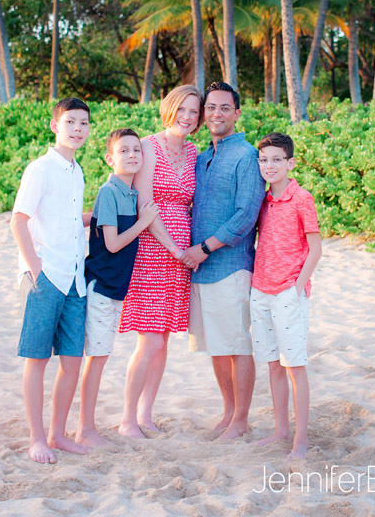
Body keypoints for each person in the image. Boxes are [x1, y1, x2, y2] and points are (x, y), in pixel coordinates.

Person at [181, 81, 265, 441]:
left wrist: (205, 247)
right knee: (215, 345)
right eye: (210, 108)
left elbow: (246, 215)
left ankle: (242, 420)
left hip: (230, 265)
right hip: (201, 270)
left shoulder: (245, 155)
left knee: (235, 343)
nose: (216, 114)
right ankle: (229, 412)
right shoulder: (203, 156)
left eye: (224, 108)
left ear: (236, 113)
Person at [118, 85, 203, 438]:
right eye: (181, 109)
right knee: (149, 341)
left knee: (164, 341)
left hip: (181, 256)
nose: (187, 117)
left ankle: (146, 415)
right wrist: (173, 248)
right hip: (153, 251)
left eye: (193, 112)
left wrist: (191, 250)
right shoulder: (149, 147)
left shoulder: (195, 151)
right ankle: (126, 420)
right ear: (170, 109)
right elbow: (146, 204)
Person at [11, 97, 91, 464]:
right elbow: (19, 220)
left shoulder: (77, 171)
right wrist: (36, 272)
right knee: (37, 359)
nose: (77, 129)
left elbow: (70, 220)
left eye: (84, 124)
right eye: (70, 122)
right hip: (47, 279)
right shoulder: (40, 168)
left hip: (76, 278)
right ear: (54, 125)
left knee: (73, 361)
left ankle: (58, 434)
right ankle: (37, 439)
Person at [75, 128, 161, 447]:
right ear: (111, 159)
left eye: (137, 150)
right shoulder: (109, 191)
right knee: (97, 358)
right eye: (123, 151)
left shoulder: (131, 193)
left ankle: (87, 427)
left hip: (115, 289)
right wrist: (143, 222)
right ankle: (85, 429)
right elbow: (111, 244)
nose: (132, 155)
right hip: (100, 286)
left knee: (102, 355)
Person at [250, 132, 323, 458]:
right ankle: (281, 430)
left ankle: (301, 438)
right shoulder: (262, 200)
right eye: (264, 159)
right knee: (273, 365)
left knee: (294, 365)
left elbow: (315, 248)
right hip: (260, 290)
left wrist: (297, 288)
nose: (270, 165)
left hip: (287, 293)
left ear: (290, 162)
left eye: (277, 159)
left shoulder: (301, 197)